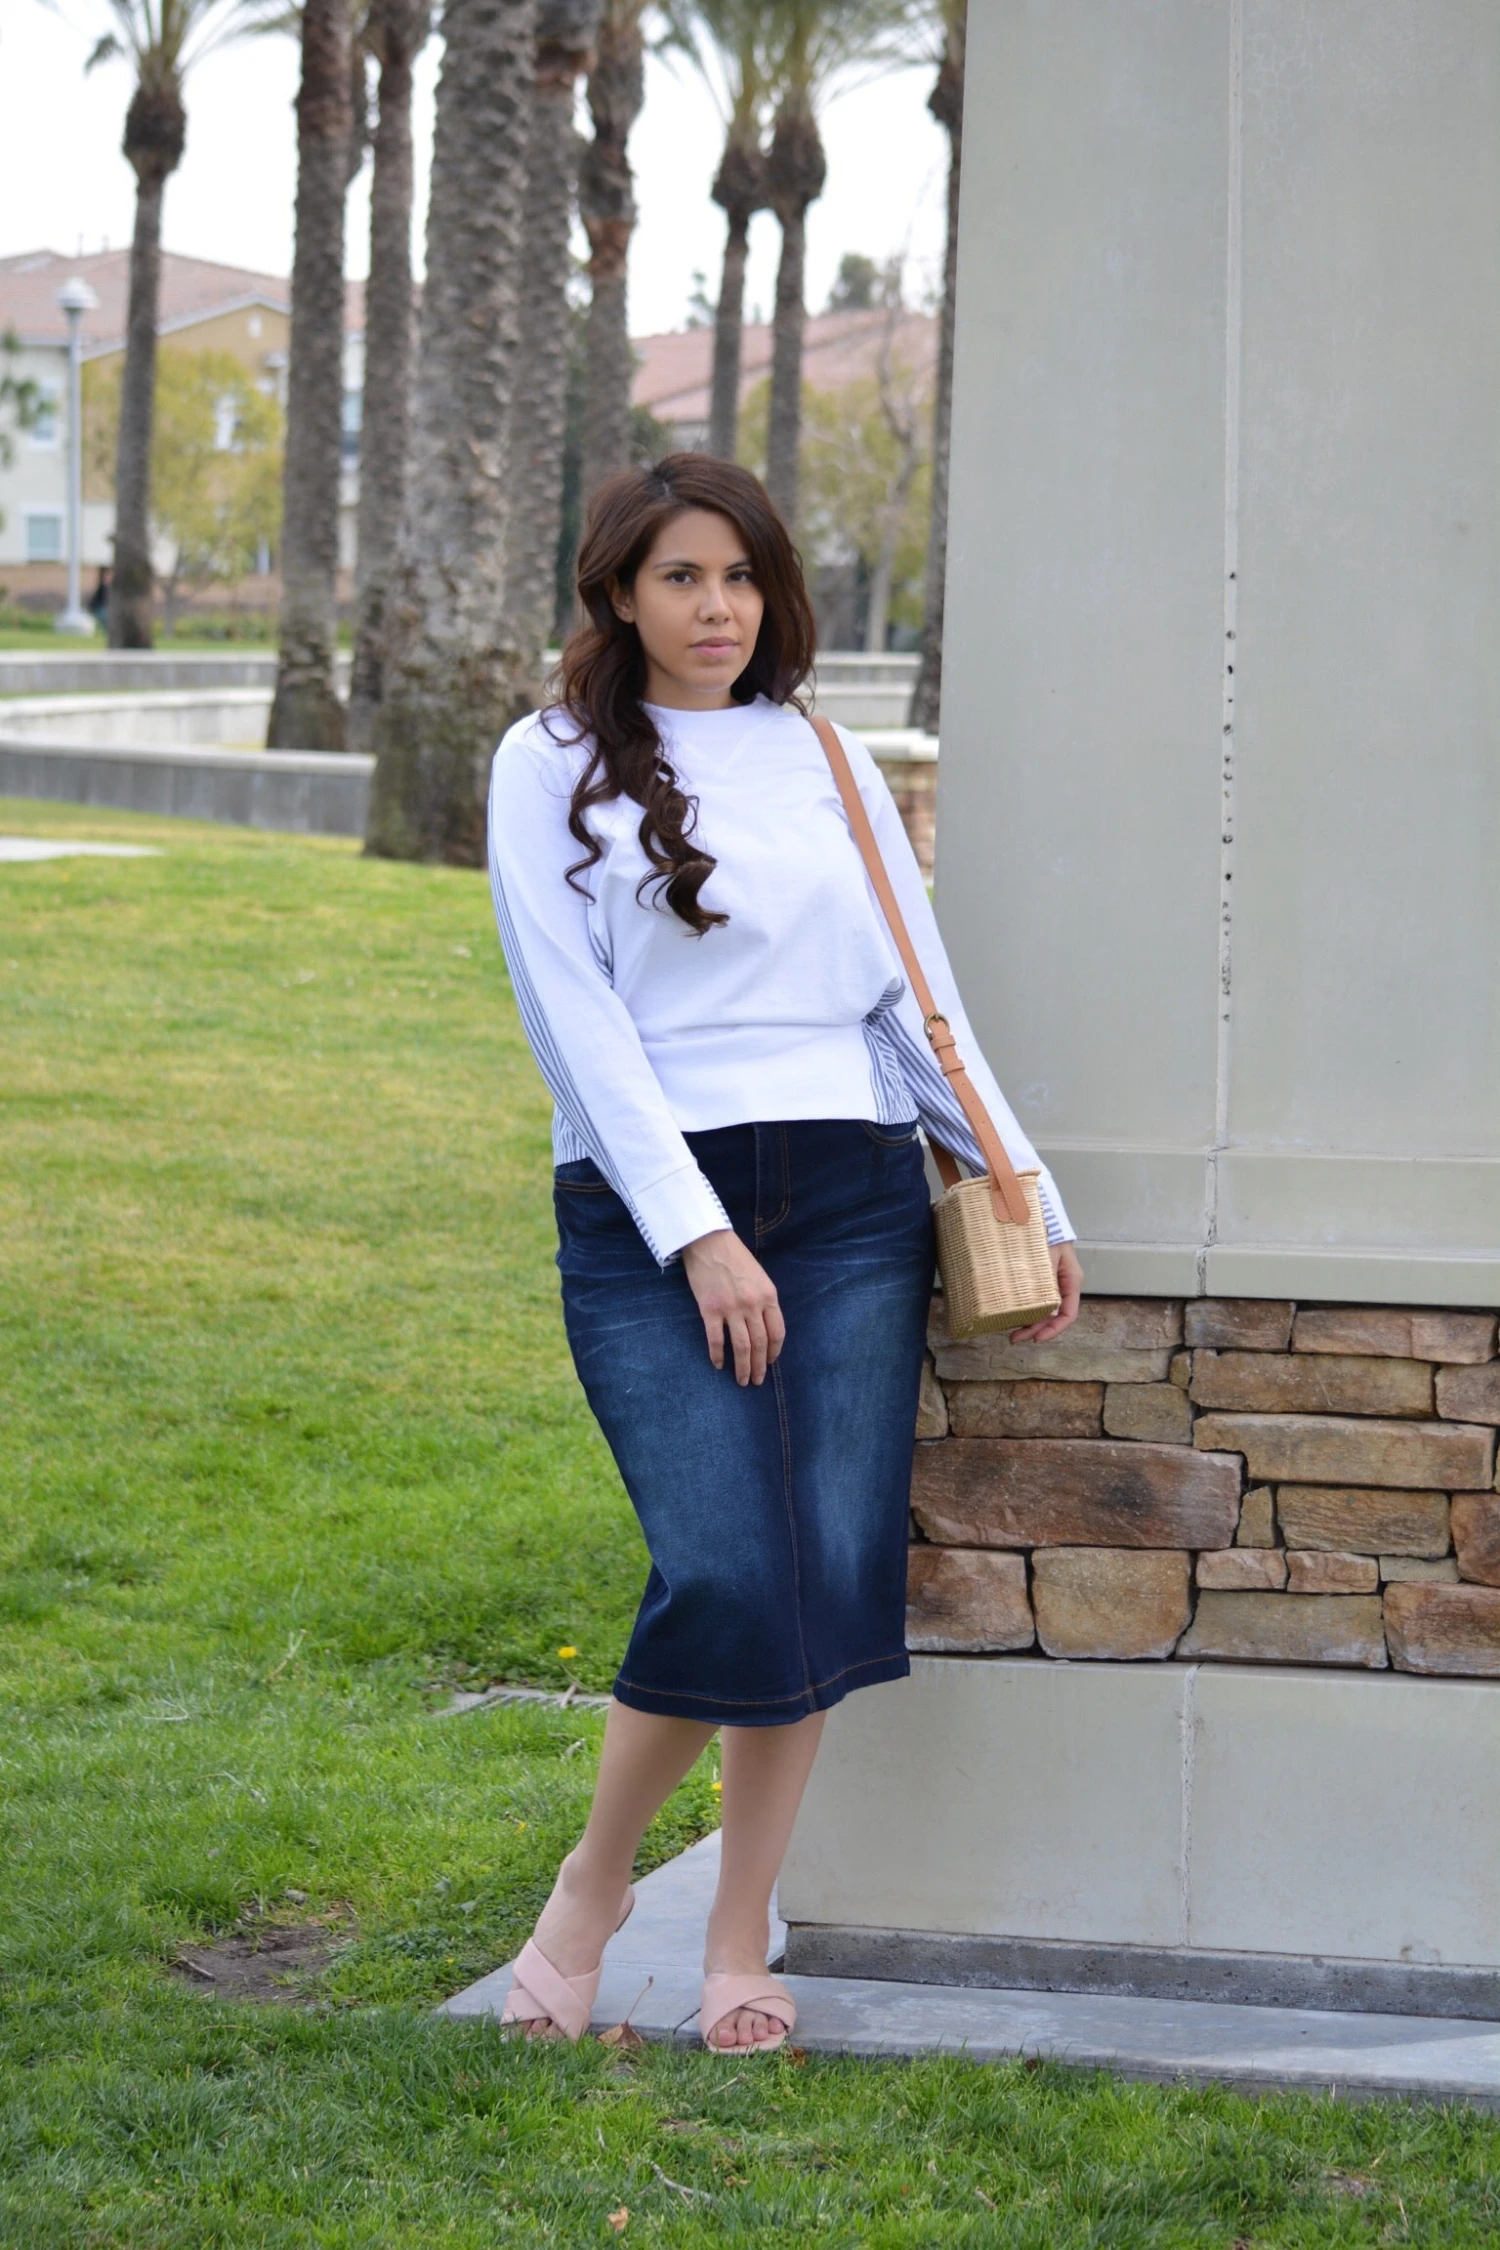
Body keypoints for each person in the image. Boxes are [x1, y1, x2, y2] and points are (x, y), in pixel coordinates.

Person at [486, 455, 1083, 2054]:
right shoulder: (546, 762)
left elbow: (914, 989)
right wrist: (698, 1232)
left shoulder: (823, 753)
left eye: (742, 576)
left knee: (819, 1575)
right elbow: (571, 1021)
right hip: (650, 1207)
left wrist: (1022, 1191)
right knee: (727, 1571)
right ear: (620, 591)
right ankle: (593, 1889)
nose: (718, 607)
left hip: (853, 1196)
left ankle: (739, 1931)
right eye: (682, 576)